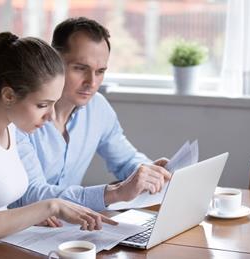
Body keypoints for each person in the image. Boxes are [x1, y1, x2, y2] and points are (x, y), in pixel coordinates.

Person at [0, 32, 117, 259]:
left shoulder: (10, 127)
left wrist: (29, 217)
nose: (49, 116)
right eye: (42, 104)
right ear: (8, 95)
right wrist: (48, 207)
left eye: (53, 104)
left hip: (0, 251)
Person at [10, 17, 171, 218]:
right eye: (80, 68)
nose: (92, 83)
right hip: (19, 231)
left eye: (100, 71)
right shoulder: (21, 113)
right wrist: (113, 193)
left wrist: (148, 172)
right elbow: (31, 194)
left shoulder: (98, 107)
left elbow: (125, 160)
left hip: (68, 228)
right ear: (54, 60)